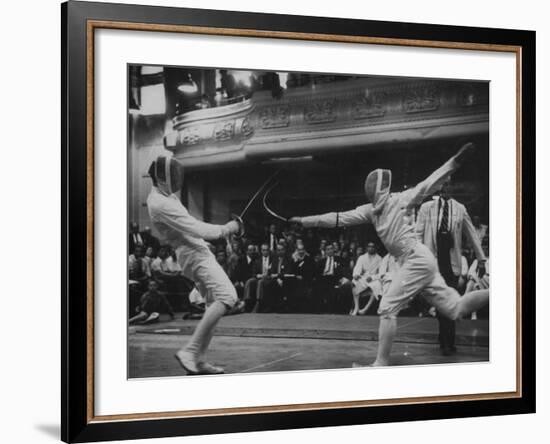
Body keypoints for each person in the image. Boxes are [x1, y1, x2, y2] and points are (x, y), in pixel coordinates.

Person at [290, 142, 489, 366]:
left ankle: (380, 364)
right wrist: (305, 222)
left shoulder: (401, 200)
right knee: (455, 309)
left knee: (387, 307)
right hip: (419, 261)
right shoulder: (371, 211)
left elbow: (429, 184)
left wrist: (456, 161)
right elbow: (338, 218)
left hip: (416, 259)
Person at [146, 155, 241, 375]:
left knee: (212, 305)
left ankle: (199, 361)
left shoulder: (166, 196)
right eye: (173, 175)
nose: (178, 179)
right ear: (162, 177)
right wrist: (228, 228)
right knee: (228, 297)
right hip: (193, 255)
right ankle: (190, 351)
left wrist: (211, 237)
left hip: (195, 251)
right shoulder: (159, 202)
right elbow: (196, 228)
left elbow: (187, 229)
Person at [416, 179, 487, 355]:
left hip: (452, 262)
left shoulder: (460, 208)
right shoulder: (427, 208)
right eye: (443, 185)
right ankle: (445, 337)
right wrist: (417, 257)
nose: (447, 188)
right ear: (438, 188)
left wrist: (481, 259)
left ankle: (448, 340)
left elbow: (472, 234)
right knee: (440, 301)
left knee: (451, 301)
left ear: (453, 188)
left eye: (450, 185)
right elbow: (417, 234)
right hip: (433, 261)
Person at [350, 242, 382, 316]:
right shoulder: (362, 257)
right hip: (364, 278)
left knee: (377, 286)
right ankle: (356, 308)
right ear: (367, 248)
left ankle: (365, 309)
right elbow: (358, 268)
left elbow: (381, 273)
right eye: (369, 247)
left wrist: (372, 277)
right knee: (354, 282)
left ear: (375, 248)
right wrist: (356, 274)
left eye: (373, 247)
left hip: (373, 279)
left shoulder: (379, 258)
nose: (371, 248)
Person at [243, 243, 273, 312]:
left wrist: (267, 275)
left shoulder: (273, 259)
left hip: (268, 278)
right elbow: (254, 273)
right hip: (259, 277)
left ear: (269, 251)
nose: (265, 252)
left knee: (260, 282)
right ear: (261, 251)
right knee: (249, 281)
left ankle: (258, 302)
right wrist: (257, 275)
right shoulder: (257, 260)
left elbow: (274, 270)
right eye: (263, 250)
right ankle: (246, 300)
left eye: (266, 250)